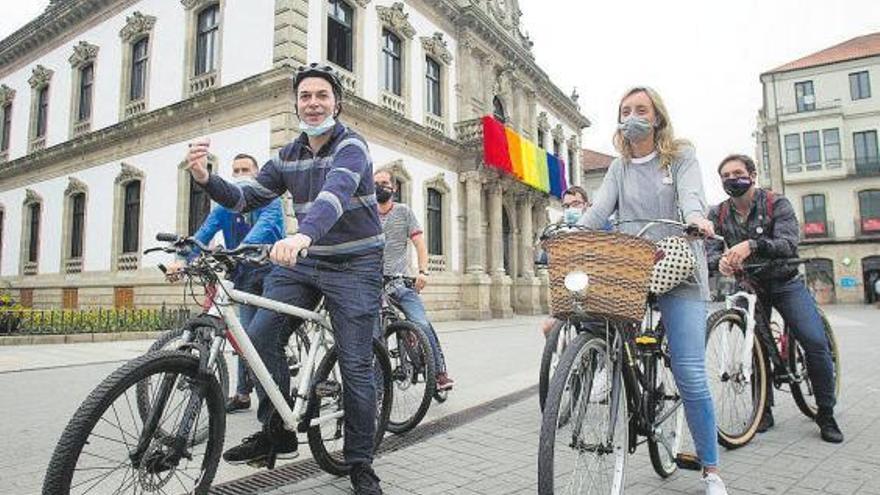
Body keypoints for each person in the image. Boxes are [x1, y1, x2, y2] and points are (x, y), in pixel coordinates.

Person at [186, 63, 385, 494]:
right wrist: (206, 178)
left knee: (355, 365)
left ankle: (360, 464)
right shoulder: (288, 155)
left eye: (322, 96)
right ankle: (277, 431)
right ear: (296, 103)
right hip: (307, 259)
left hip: (355, 263)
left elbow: (335, 193)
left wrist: (302, 235)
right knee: (259, 337)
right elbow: (244, 198)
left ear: (337, 103)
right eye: (305, 96)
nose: (313, 103)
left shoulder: (352, 146)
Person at [577, 86, 728, 494]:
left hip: (679, 267)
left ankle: (711, 470)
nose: (632, 116)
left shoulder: (680, 156)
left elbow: (692, 197)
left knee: (690, 373)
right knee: (597, 319)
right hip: (633, 266)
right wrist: (569, 235)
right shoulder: (618, 168)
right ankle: (610, 368)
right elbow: (598, 211)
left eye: (641, 109)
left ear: (657, 117)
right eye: (625, 110)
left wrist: (697, 219)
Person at [706, 153, 843, 444]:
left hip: (784, 281)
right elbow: (708, 250)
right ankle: (763, 410)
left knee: (814, 341)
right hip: (749, 285)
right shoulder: (717, 213)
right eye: (726, 176)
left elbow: (788, 243)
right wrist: (720, 262)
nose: (732, 179)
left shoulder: (775, 203)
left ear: (752, 175)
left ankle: (826, 412)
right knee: (752, 344)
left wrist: (751, 245)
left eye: (738, 173)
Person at [168, 154, 285, 414]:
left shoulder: (271, 201)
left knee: (259, 336)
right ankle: (243, 394)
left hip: (270, 273)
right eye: (236, 170)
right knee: (244, 334)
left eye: (246, 169)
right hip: (242, 273)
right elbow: (203, 234)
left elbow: (264, 229)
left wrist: (238, 249)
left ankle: (273, 398)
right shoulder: (223, 206)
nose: (240, 174)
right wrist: (182, 260)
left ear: (256, 175)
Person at [373, 169, 454, 391]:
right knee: (373, 335)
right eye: (376, 183)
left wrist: (423, 271)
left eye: (384, 183)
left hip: (399, 282)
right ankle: (377, 388)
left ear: (394, 187)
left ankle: (439, 373)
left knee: (420, 323)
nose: (380, 187)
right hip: (373, 285)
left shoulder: (404, 212)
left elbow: (419, 244)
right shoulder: (367, 214)